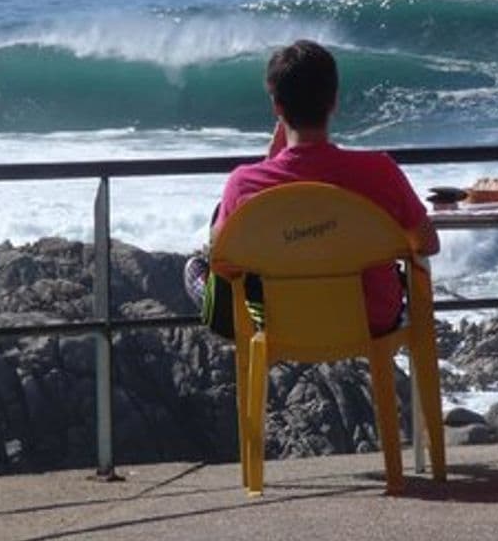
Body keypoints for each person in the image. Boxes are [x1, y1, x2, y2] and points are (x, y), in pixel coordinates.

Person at [185, 39, 439, 335]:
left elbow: (224, 264)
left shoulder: (244, 184)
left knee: (202, 263)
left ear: (277, 107)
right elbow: (427, 243)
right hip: (373, 321)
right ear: (333, 102)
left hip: (283, 323)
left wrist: (270, 163)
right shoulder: (380, 172)